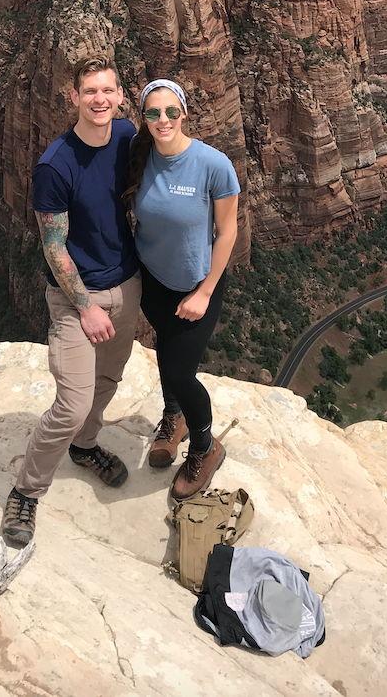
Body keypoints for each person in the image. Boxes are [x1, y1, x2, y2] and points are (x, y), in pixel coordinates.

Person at [0, 57, 142, 547]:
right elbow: (53, 246)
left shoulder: (125, 136)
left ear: (119, 96)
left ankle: (84, 447)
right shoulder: (55, 164)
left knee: (108, 379)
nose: (99, 100)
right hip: (76, 297)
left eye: (107, 90)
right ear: (74, 97)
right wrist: (85, 307)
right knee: (72, 404)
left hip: (127, 285)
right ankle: (26, 490)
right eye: (90, 92)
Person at [125, 78, 240, 500]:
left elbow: (228, 232)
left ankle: (206, 447)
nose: (163, 120)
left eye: (171, 111)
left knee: (179, 371)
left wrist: (205, 291)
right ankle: (173, 418)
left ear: (185, 113)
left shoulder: (213, 164)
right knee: (164, 347)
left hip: (197, 285)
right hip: (153, 280)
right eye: (153, 113)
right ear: (144, 117)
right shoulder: (138, 156)